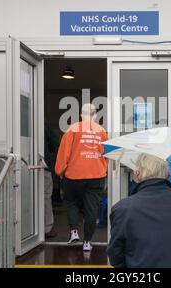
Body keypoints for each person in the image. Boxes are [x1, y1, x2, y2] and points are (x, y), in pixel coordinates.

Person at [55, 103, 107, 251]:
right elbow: (105, 154)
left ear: (81, 115)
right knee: (91, 208)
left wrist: (60, 171)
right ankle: (87, 242)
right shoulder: (101, 131)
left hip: (74, 175)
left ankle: (74, 232)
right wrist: (104, 169)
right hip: (96, 175)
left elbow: (63, 152)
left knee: (71, 202)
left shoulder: (73, 129)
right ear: (95, 116)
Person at [44, 119, 59, 238]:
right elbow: (55, 143)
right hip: (43, 165)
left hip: (24, 164)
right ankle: (47, 227)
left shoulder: (15, 118)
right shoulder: (42, 122)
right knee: (45, 196)